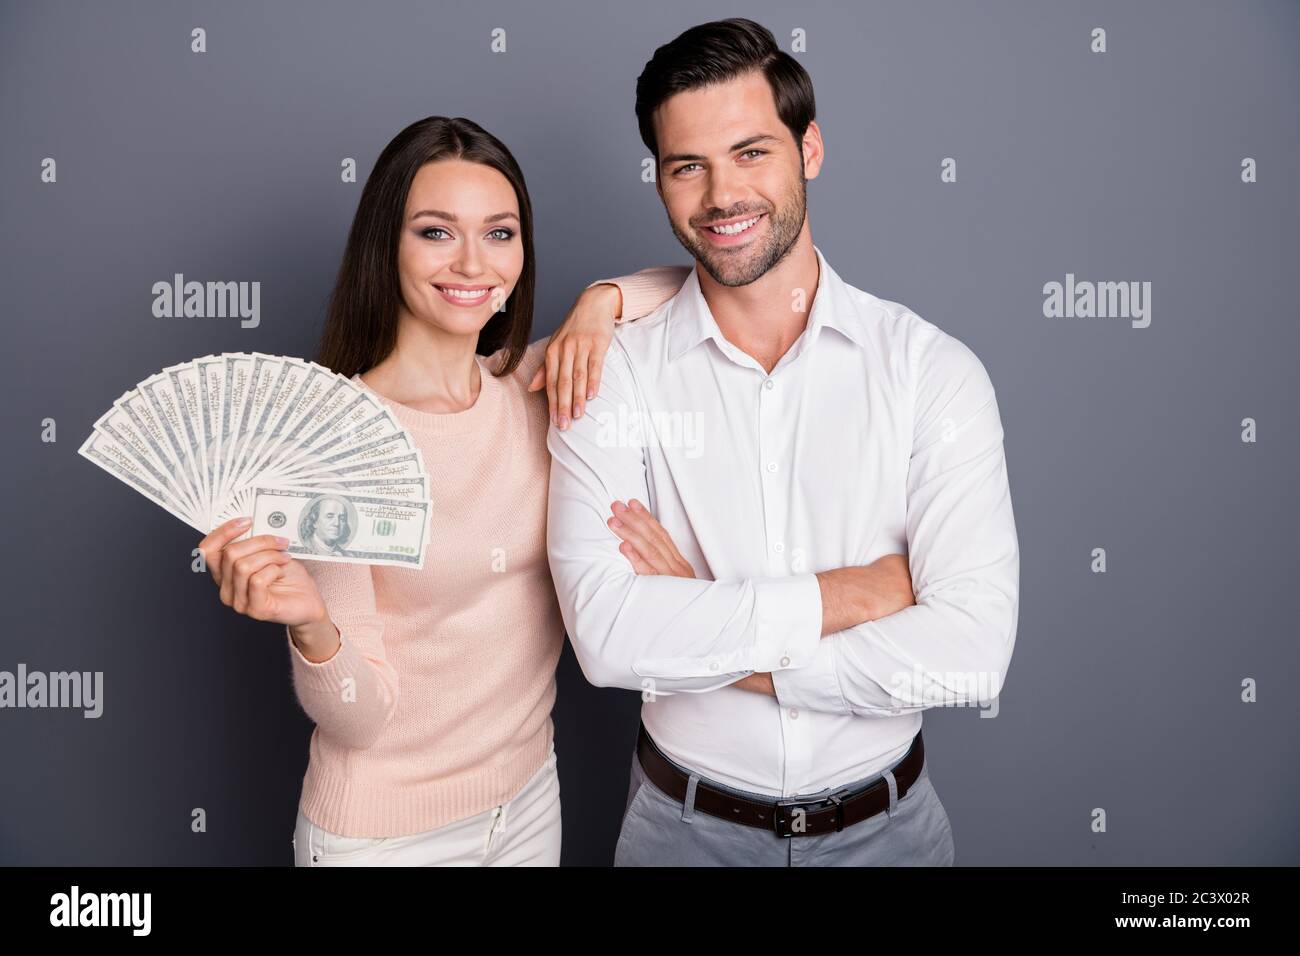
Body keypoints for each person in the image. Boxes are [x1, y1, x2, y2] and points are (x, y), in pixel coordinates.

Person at [546, 18, 1021, 866]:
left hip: (892, 836)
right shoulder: (607, 371)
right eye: (688, 166)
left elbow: (969, 658)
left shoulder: (931, 373)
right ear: (659, 181)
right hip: (680, 834)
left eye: (751, 152)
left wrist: (708, 617)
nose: (722, 195)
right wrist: (855, 594)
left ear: (810, 150)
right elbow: (610, 638)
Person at [197, 115, 690, 866]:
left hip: (527, 801)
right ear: (385, 246)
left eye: (499, 233)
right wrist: (311, 627)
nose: (472, 263)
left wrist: (598, 304)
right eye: (435, 232)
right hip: (384, 835)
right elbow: (359, 720)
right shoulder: (334, 445)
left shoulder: (533, 384)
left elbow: (690, 283)